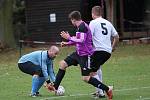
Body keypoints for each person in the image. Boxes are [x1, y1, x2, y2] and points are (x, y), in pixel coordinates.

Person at [48, 11, 113, 100]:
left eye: (71, 20)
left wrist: (69, 38)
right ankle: (55, 86)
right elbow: (77, 40)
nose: (71, 22)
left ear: (73, 19)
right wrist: (67, 43)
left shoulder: (83, 27)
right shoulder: (79, 27)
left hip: (86, 55)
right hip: (78, 53)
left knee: (86, 78)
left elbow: (81, 40)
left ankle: (107, 89)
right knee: (62, 64)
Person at [89, 6, 119, 99]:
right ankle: (99, 90)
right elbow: (117, 36)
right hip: (107, 52)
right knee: (97, 68)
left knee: (91, 72)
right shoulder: (108, 23)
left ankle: (101, 92)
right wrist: (112, 48)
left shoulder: (93, 23)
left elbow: (89, 37)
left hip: (98, 50)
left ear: (93, 13)